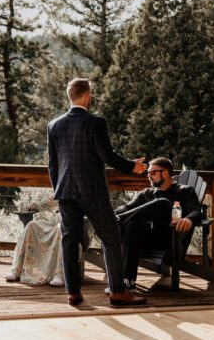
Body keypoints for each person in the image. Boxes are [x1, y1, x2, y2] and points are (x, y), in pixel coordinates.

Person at [47, 78, 148, 307]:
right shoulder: (96, 122)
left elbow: (52, 164)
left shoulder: (54, 125)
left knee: (70, 241)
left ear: (70, 96)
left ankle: (72, 293)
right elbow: (107, 155)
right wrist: (132, 167)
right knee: (111, 236)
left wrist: (59, 188)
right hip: (91, 191)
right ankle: (117, 292)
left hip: (65, 191)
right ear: (87, 95)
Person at [115, 157, 202, 291]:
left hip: (171, 240)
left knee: (163, 204)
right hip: (149, 239)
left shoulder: (185, 191)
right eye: (148, 173)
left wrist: (189, 219)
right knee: (132, 225)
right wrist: (111, 214)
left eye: (152, 172)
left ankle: (115, 222)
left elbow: (196, 211)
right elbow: (126, 208)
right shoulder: (147, 193)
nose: (148, 176)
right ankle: (128, 283)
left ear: (165, 173)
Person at [5, 198, 67, 286]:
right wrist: (30, 206)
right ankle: (16, 270)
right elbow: (46, 203)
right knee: (31, 225)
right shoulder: (63, 191)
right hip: (52, 225)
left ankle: (59, 274)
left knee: (60, 229)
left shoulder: (85, 194)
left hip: (68, 228)